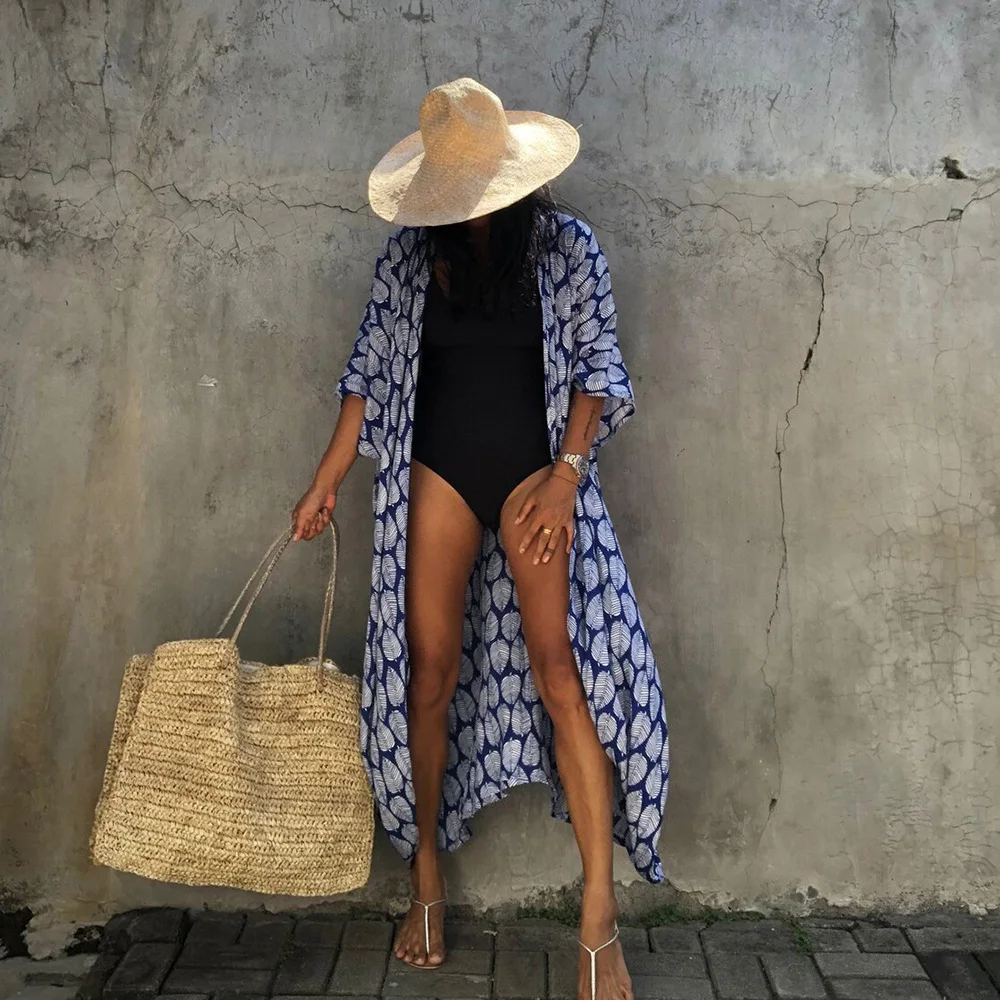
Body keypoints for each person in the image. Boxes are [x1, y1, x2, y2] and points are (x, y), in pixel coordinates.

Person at [292, 77, 669, 1000]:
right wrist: (328, 477)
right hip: (440, 471)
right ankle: (424, 878)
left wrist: (567, 476)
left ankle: (598, 912)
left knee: (560, 672)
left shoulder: (567, 247)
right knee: (428, 673)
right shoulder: (409, 258)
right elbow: (368, 374)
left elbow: (598, 367)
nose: (467, 209)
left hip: (537, 476)